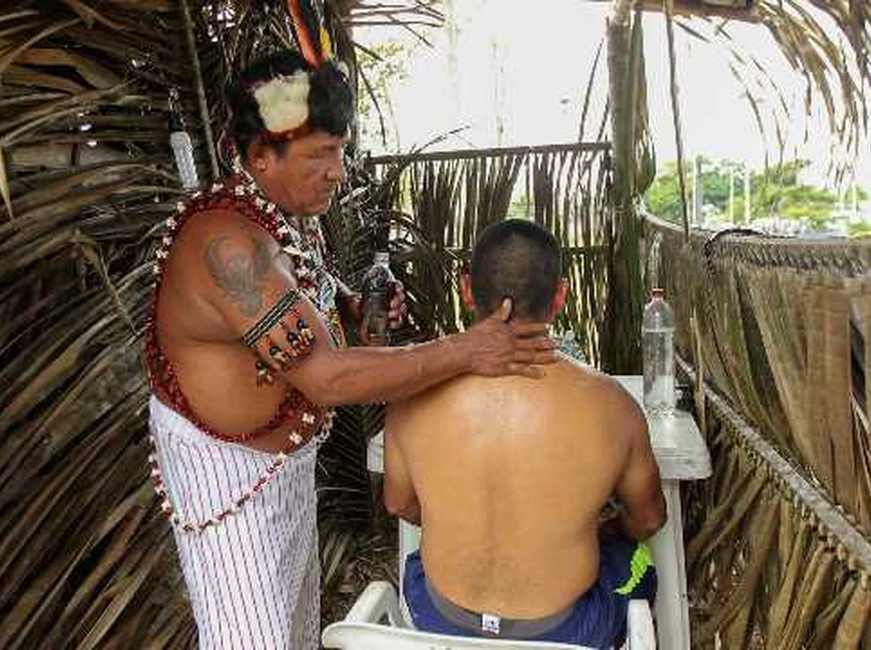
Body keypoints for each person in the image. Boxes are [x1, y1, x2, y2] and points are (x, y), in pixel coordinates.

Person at [143, 50, 559, 649]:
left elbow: (302, 296)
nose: (339, 170)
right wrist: (467, 350)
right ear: (261, 156)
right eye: (321, 155)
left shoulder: (277, 217)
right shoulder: (228, 246)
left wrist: (352, 308)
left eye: (340, 149)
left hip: (278, 473)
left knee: (291, 633)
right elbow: (327, 379)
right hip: (231, 488)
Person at [383, 219, 667, 649]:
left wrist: (460, 521)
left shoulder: (410, 400)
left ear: (467, 290)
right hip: (567, 631)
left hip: (439, 621)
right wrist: (595, 529)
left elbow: (399, 502)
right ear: (560, 297)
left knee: (417, 562)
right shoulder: (613, 406)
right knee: (638, 562)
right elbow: (648, 519)